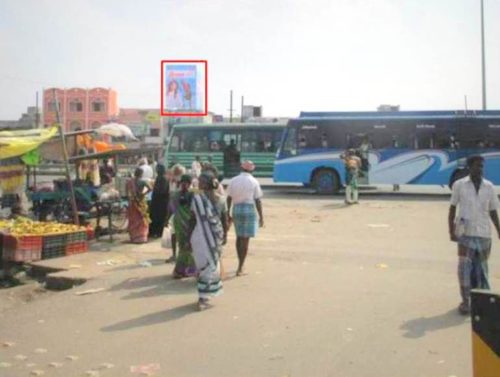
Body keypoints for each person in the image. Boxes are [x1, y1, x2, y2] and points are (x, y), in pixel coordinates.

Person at [448, 155, 500, 315]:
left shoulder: (489, 187)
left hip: (484, 234)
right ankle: (466, 302)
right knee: (464, 268)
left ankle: (482, 302)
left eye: (482, 166)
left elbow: (493, 211)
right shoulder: (459, 185)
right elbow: (452, 209)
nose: (480, 169)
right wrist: (451, 231)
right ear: (469, 167)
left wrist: (499, 230)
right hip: (465, 234)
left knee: (481, 270)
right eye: (477, 166)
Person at [188, 172, 228, 310]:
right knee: (211, 266)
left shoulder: (197, 199)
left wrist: (187, 239)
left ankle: (203, 297)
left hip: (199, 237)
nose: (198, 183)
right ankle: (203, 298)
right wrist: (225, 236)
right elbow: (225, 221)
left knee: (203, 267)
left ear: (204, 184)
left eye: (200, 181)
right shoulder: (221, 199)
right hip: (215, 237)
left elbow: (192, 220)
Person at [227, 160, 264, 276]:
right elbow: (258, 200)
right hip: (249, 209)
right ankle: (241, 266)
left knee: (239, 237)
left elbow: (228, 198)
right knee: (246, 239)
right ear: (252, 170)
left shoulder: (233, 180)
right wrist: (261, 217)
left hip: (236, 209)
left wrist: (228, 213)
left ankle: (240, 264)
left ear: (241, 168)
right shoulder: (254, 181)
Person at [172, 174, 198, 279]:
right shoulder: (193, 194)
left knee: (183, 245)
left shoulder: (174, 194)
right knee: (188, 245)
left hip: (179, 222)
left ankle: (181, 269)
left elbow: (171, 209)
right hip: (188, 223)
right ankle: (184, 269)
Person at [166, 164, 187, 262]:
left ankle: (178, 255)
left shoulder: (181, 184)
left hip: (180, 212)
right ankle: (177, 254)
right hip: (178, 212)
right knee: (176, 233)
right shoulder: (173, 183)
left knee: (177, 234)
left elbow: (171, 198)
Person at [126, 168, 151, 243]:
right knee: (142, 220)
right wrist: (143, 194)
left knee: (133, 220)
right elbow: (150, 188)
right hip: (141, 202)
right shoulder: (143, 182)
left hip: (132, 203)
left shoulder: (130, 182)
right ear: (141, 174)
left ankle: (134, 238)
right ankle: (142, 237)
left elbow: (127, 193)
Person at [148, 164, 170, 239]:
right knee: (155, 217)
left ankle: (159, 232)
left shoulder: (163, 178)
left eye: (157, 169)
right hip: (157, 201)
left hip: (161, 202)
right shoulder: (160, 177)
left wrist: (156, 190)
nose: (156, 170)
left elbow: (162, 190)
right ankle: (155, 231)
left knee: (159, 217)